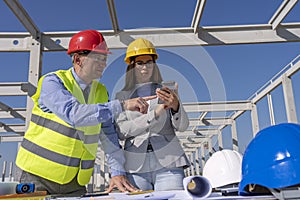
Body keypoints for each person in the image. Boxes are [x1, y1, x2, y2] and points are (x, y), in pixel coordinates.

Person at [15, 30, 155, 197]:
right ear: (77, 59)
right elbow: (74, 114)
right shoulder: (53, 82)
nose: (103, 64)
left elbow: (108, 135)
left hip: (75, 182)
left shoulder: (101, 92)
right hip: (37, 177)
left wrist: (117, 171)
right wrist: (123, 105)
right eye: (98, 59)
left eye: (104, 59)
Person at [114, 38, 190, 191]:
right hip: (136, 168)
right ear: (132, 66)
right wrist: (152, 116)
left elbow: (183, 126)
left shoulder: (167, 91)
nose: (145, 67)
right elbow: (121, 132)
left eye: (149, 62)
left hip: (169, 163)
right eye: (140, 63)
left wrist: (176, 107)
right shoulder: (121, 97)